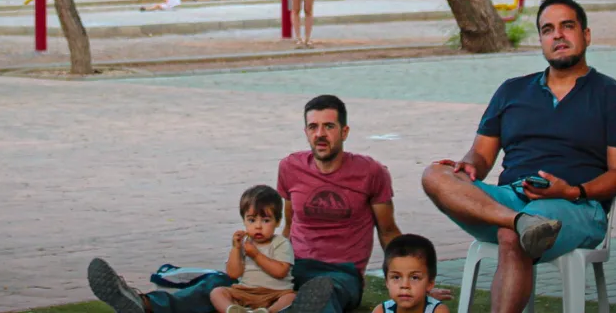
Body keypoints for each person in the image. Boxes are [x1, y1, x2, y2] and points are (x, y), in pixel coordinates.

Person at [87, 94, 403, 313]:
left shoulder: (371, 172)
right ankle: (144, 305)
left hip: (339, 273)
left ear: (344, 131)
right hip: (291, 264)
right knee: (219, 283)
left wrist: (414, 276)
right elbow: (290, 225)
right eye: (313, 127)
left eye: (329, 127)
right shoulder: (291, 167)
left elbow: (388, 232)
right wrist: (266, 264)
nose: (320, 134)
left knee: (323, 293)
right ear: (305, 131)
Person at [421, 0, 616, 313]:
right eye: (548, 29)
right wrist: (468, 165)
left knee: (512, 239)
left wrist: (573, 191)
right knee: (434, 174)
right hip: (510, 200)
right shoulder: (512, 90)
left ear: (586, 35)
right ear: (541, 40)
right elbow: (480, 156)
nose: (558, 35)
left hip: (577, 208)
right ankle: (521, 221)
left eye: (567, 26)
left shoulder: (614, 96)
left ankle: (520, 225)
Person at [209, 185, 295, 313]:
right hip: (246, 291)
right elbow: (233, 273)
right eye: (252, 220)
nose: (258, 226)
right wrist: (236, 249)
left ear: (277, 222)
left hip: (276, 293)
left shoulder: (281, 243)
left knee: (291, 297)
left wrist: (256, 255)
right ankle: (233, 310)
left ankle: (268, 311)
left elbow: (280, 272)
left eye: (266, 220)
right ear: (244, 220)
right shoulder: (244, 243)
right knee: (217, 292)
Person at [372, 235, 450, 313]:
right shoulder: (381, 311)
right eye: (396, 277)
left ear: (430, 283)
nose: (404, 285)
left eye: (414, 278)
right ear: (387, 282)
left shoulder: (438, 311)